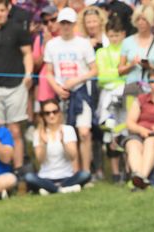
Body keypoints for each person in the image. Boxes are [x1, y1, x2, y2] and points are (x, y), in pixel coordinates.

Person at [0, 0, 33, 175]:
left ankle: (18, 170)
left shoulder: (18, 30)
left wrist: (28, 75)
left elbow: (27, 54)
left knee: (15, 130)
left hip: (16, 86)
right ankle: (1, 170)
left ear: (7, 10)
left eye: (2, 10)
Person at [44, 7, 98, 174]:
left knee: (84, 132)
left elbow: (94, 70)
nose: (65, 26)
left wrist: (76, 80)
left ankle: (86, 171)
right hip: (62, 94)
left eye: (68, 23)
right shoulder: (52, 45)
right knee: (68, 134)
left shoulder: (83, 44)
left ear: (74, 24)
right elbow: (49, 72)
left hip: (81, 92)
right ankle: (73, 172)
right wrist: (57, 89)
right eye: (63, 23)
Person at [24, 99, 91, 194]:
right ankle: (61, 189)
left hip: (67, 177)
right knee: (29, 177)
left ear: (59, 113)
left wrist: (64, 142)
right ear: (43, 116)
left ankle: (50, 189)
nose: (51, 115)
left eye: (54, 112)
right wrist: (44, 144)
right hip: (45, 177)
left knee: (85, 175)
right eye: (47, 113)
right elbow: (40, 160)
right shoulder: (38, 133)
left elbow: (73, 156)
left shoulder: (68, 130)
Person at [96, 16, 127, 183]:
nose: (114, 38)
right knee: (110, 131)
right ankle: (115, 172)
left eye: (117, 35)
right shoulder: (101, 52)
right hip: (108, 96)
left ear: (123, 34)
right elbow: (101, 77)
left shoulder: (127, 49)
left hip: (126, 95)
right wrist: (120, 73)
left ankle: (128, 169)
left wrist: (116, 74)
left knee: (126, 130)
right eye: (111, 35)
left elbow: (129, 73)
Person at [119, 5, 154, 93]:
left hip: (152, 89)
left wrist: (151, 67)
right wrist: (132, 65)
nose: (141, 22)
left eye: (144, 19)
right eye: (138, 19)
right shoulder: (127, 42)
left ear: (150, 21)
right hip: (132, 87)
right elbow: (120, 71)